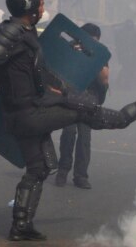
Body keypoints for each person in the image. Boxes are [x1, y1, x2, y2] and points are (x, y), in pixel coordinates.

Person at [0, 0, 136, 241]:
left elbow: (35, 70)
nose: (44, 7)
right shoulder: (11, 32)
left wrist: (54, 86)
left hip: (26, 111)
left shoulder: (27, 32)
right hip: (28, 113)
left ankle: (20, 226)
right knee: (81, 110)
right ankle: (120, 119)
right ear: (29, 5)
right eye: (40, 2)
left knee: (39, 168)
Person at [55, 23, 106, 190]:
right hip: (71, 95)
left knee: (84, 138)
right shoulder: (71, 47)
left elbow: (104, 78)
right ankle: (63, 170)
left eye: (95, 40)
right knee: (68, 133)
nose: (93, 42)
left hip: (89, 98)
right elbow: (60, 69)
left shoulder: (99, 52)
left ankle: (81, 176)